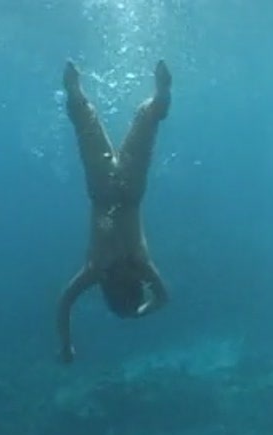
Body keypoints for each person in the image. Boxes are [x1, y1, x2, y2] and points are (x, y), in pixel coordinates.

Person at [57, 59, 172, 363]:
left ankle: (158, 99)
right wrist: (66, 344)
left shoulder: (130, 267)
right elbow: (65, 303)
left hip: (123, 190)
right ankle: (77, 92)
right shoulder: (103, 269)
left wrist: (67, 344)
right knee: (90, 125)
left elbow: (162, 298)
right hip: (109, 190)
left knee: (139, 123)